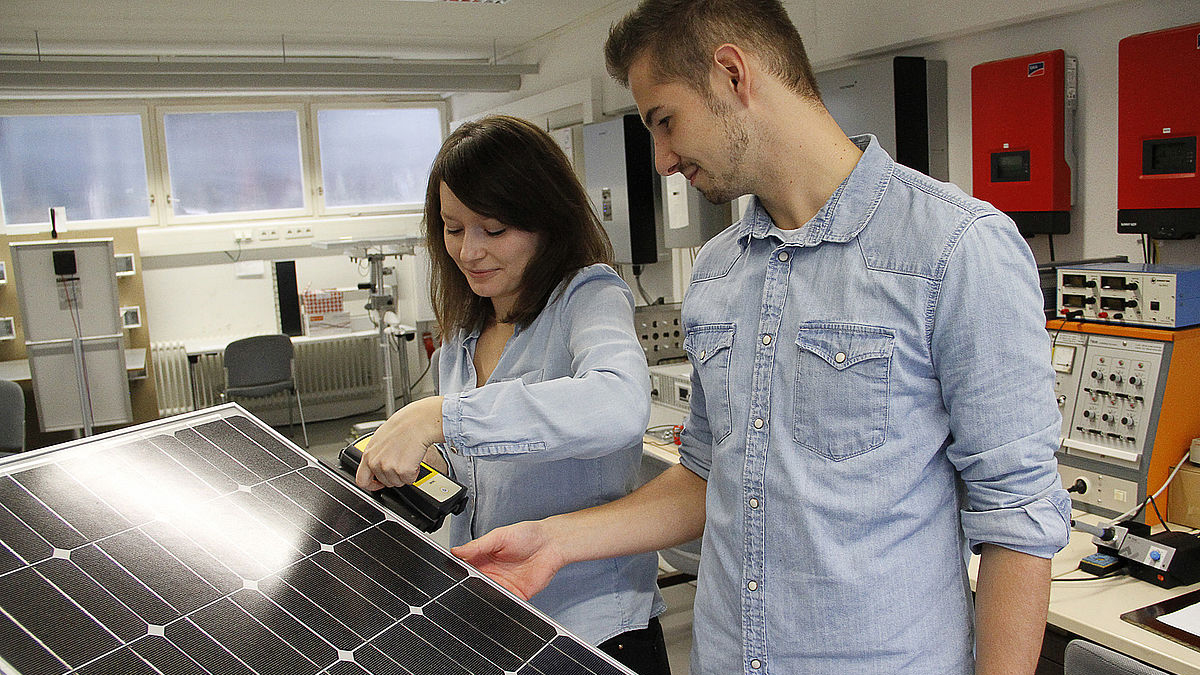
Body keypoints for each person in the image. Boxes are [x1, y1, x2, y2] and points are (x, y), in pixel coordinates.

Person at [451, 2, 1072, 674]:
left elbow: (1017, 517)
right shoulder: (719, 273)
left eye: (665, 121)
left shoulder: (953, 249)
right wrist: (556, 539)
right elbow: (706, 476)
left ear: (732, 73)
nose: (661, 159)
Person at [355, 115, 670, 674]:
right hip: (495, 616)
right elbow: (470, 453)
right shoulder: (465, 332)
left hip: (595, 631)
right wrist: (422, 460)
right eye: (453, 229)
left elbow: (618, 404)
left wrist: (442, 416)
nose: (469, 251)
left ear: (545, 221)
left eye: (493, 230)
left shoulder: (588, 295)